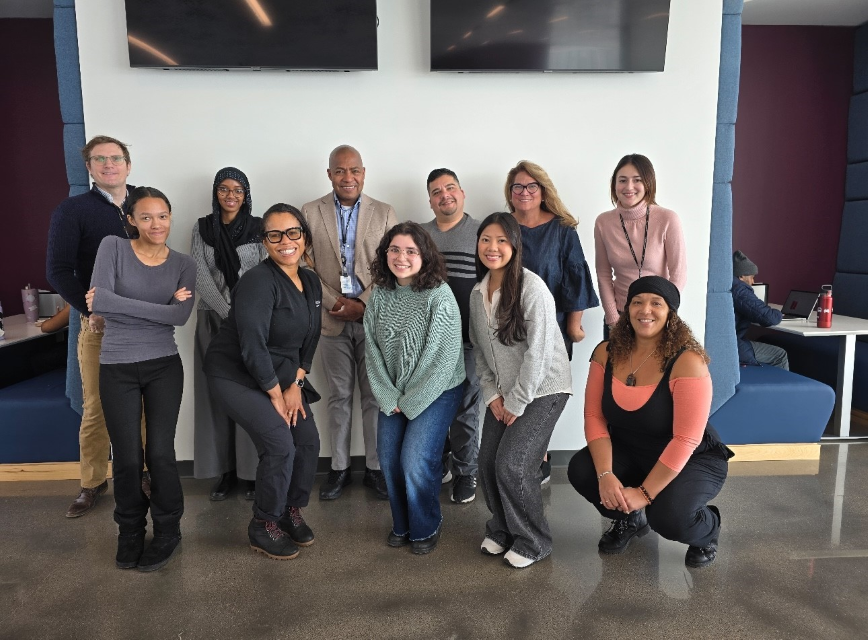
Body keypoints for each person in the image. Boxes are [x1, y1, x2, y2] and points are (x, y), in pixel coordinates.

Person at [567, 276, 733, 569]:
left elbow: (686, 439)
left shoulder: (688, 361)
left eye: (656, 303)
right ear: (627, 309)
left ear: (671, 313)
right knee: (582, 470)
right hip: (632, 449)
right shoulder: (606, 352)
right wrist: (605, 474)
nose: (645, 310)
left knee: (667, 518)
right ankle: (630, 519)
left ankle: (707, 530)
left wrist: (644, 493)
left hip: (691, 458)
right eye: (637, 302)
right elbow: (594, 416)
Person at [204, 204, 323, 560]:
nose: (285, 241)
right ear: (264, 242)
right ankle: (264, 523)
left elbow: (310, 339)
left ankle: (289, 510)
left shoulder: (310, 281)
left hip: (282, 372)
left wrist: (296, 385)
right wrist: (276, 395)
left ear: (304, 237)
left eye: (293, 232)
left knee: (307, 440)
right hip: (235, 372)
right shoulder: (257, 281)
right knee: (279, 443)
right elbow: (252, 345)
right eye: (275, 235)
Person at [86, 187, 196, 572]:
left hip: (164, 365)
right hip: (116, 366)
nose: (156, 224)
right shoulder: (112, 247)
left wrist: (118, 304)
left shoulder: (183, 264)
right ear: (131, 220)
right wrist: (160, 307)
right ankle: (130, 530)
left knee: (160, 454)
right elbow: (100, 303)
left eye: (162, 216)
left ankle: (168, 530)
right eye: (146, 217)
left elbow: (179, 318)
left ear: (170, 217)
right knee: (128, 457)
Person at [46, 135, 149, 518]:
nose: (109, 165)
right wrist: (90, 310)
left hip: (143, 324)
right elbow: (58, 270)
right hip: (99, 327)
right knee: (97, 407)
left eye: (116, 158)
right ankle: (91, 482)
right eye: (100, 159)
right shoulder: (72, 210)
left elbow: (158, 256)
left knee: (143, 403)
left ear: (128, 164)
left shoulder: (146, 202)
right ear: (89, 167)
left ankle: (142, 473)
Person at [469, 212, 572, 569]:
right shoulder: (477, 293)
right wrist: (492, 395)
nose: (492, 247)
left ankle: (533, 541)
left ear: (515, 245)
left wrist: (515, 402)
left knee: (512, 464)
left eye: (501, 240)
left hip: (544, 389)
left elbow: (539, 354)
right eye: (486, 239)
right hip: (505, 393)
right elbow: (480, 352)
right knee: (486, 462)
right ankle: (502, 529)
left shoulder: (532, 287)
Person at [302, 145, 397, 501]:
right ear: (329, 174)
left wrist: (362, 304)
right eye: (340, 170)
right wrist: (335, 303)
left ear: (363, 173)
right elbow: (304, 263)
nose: (347, 177)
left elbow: (393, 263)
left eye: (354, 170)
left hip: (373, 319)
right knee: (339, 396)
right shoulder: (310, 212)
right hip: (330, 320)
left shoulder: (384, 212)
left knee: (374, 397)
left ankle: (375, 468)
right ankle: (339, 468)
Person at [364, 222, 464, 555]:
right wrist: (388, 396)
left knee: (414, 459)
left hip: (439, 389)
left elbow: (442, 359)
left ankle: (425, 525)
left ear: (424, 255)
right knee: (388, 457)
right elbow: (372, 350)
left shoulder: (439, 294)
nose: (401, 257)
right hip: (393, 391)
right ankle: (402, 524)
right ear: (385, 253)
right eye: (394, 249)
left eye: (410, 251)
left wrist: (409, 403)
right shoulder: (380, 293)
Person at [505, 160, 598, 483]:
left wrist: (574, 325)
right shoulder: (503, 227)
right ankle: (516, 458)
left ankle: (539, 457)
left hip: (553, 328)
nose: (525, 192)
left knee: (542, 397)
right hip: (510, 327)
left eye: (531, 186)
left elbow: (576, 277)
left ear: (543, 191)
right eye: (518, 186)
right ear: (510, 193)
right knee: (516, 391)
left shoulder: (562, 230)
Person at [192, 167, 266, 502]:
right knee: (216, 395)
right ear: (215, 192)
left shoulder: (259, 227)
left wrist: (243, 314)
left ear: (246, 194)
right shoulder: (202, 228)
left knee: (251, 394)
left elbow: (265, 272)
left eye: (238, 189)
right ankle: (223, 471)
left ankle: (251, 472)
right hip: (213, 319)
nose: (230, 195)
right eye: (224, 189)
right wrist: (227, 312)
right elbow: (199, 273)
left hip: (252, 321)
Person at [420, 168, 482, 504]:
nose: (445, 195)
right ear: (430, 201)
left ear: (462, 192)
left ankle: (466, 472)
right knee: (430, 405)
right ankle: (440, 461)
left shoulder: (481, 233)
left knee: (465, 410)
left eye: (450, 187)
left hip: (470, 340)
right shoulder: (421, 235)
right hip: (429, 342)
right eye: (436, 191)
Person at [594, 154, 686, 330]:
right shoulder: (603, 222)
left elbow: (679, 274)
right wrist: (613, 318)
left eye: (637, 180)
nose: (629, 187)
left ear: (648, 183)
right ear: (614, 185)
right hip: (620, 315)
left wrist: (665, 311)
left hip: (656, 316)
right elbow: (603, 274)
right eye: (622, 180)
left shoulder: (668, 219)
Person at [732, 250, 789, 369]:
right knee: (780, 355)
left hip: (727, 342)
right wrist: (779, 313)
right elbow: (769, 318)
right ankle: (779, 382)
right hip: (734, 346)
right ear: (741, 276)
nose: (753, 282)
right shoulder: (739, 289)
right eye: (752, 277)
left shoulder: (728, 285)